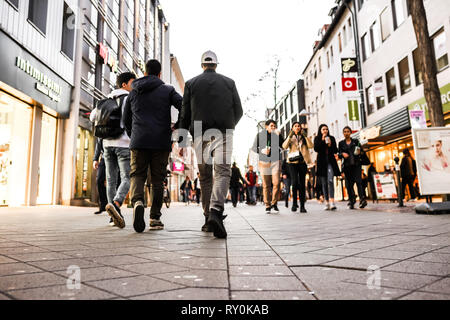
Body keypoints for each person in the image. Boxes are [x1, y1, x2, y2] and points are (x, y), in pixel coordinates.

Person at [178, 51, 243, 238]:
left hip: (199, 133)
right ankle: (216, 210)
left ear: (202, 65)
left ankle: (208, 219)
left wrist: (182, 140)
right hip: (223, 132)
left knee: (205, 176)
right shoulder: (229, 83)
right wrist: (229, 125)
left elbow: (185, 113)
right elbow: (239, 110)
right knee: (222, 171)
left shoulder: (191, 83)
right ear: (216, 64)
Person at [123, 59, 183, 233]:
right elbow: (185, 105)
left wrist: (133, 134)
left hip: (139, 140)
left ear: (145, 72)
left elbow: (126, 119)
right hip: (160, 141)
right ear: (159, 74)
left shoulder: (133, 91)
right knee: (158, 179)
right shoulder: (167, 90)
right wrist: (177, 125)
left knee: (137, 174)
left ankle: (138, 202)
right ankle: (155, 217)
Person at [90, 72, 136, 228]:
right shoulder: (129, 99)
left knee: (110, 180)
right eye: (132, 83)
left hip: (107, 145)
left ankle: (112, 217)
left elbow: (92, 118)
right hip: (123, 144)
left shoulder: (104, 100)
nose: (134, 86)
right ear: (124, 84)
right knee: (126, 178)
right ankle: (115, 205)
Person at [251, 120, 284, 214]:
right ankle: (267, 205)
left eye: (274, 126)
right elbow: (254, 147)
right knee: (266, 184)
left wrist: (279, 135)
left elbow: (283, 145)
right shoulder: (260, 135)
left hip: (275, 161)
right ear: (266, 126)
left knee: (277, 183)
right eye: (271, 126)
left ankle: (274, 203)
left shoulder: (276, 134)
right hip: (264, 161)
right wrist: (262, 151)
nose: (273, 127)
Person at [283, 122, 314, 213]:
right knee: (295, 182)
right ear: (292, 128)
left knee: (302, 184)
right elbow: (284, 146)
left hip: (302, 162)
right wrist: (289, 136)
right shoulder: (291, 137)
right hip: (292, 162)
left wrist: (305, 136)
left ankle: (302, 206)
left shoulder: (303, 137)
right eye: (295, 126)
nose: (297, 127)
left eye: (298, 126)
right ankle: (294, 203)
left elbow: (311, 146)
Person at [338, 126, 367, 209]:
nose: (346, 133)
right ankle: (351, 200)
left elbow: (361, 150)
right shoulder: (341, 143)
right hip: (347, 166)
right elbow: (339, 154)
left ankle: (362, 199)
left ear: (350, 132)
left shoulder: (356, 141)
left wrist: (359, 151)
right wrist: (342, 154)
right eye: (345, 132)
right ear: (343, 133)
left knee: (359, 182)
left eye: (348, 131)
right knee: (349, 185)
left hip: (356, 165)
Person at [314, 124, 340, 211]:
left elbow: (335, 150)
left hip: (330, 162)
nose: (325, 131)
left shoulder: (331, 138)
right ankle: (327, 202)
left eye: (326, 129)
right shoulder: (317, 138)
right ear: (320, 131)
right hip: (321, 163)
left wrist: (330, 145)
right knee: (324, 183)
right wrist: (322, 140)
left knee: (330, 180)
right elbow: (316, 149)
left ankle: (332, 201)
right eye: (323, 129)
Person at [93, 138, 107, 216]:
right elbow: (98, 143)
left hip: (116, 157)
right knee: (99, 180)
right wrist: (95, 159)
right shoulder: (102, 126)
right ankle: (103, 204)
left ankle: (113, 205)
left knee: (115, 181)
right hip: (104, 158)